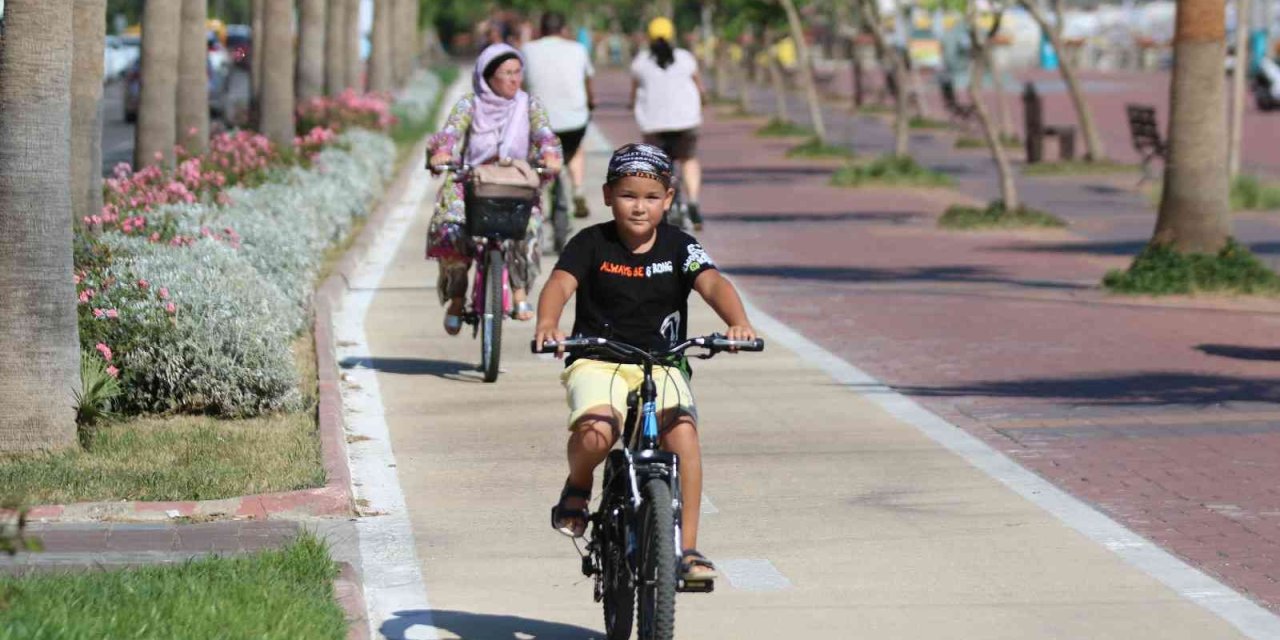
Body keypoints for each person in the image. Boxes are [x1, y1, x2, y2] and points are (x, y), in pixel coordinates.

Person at [534, 143, 757, 582]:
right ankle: (579, 482)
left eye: (652, 197)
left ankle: (687, 549)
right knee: (598, 432)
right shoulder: (590, 243)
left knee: (683, 436)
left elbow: (713, 283)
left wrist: (738, 322)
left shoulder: (680, 245)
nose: (640, 207)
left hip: (663, 362)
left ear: (668, 199)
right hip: (599, 361)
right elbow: (559, 283)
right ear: (607, 195)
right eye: (628, 196)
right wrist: (548, 323)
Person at [426, 44, 562, 333]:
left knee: (528, 227)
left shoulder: (529, 105)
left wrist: (550, 155)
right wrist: (442, 152)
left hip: (515, 182)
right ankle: (457, 298)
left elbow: (545, 135)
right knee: (451, 229)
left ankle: (519, 291)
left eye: (518, 72)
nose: (514, 79)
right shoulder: (470, 104)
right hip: (472, 180)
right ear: (488, 77)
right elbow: (450, 132)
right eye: (506, 73)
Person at [630, 17, 707, 230]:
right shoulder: (685, 58)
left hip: (653, 125)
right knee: (688, 159)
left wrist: (631, 104)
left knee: (657, 166)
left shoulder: (640, 62)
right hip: (686, 122)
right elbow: (699, 86)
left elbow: (634, 93)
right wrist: (703, 100)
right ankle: (693, 204)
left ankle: (660, 207)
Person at [522, 11, 595, 220]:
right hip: (574, 121)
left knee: (538, 153)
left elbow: (523, 84)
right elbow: (588, 82)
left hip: (541, 122)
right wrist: (591, 102)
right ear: (564, 30)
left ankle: (541, 198)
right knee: (575, 150)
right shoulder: (579, 49)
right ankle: (578, 189)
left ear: (541, 30)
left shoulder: (527, 50)